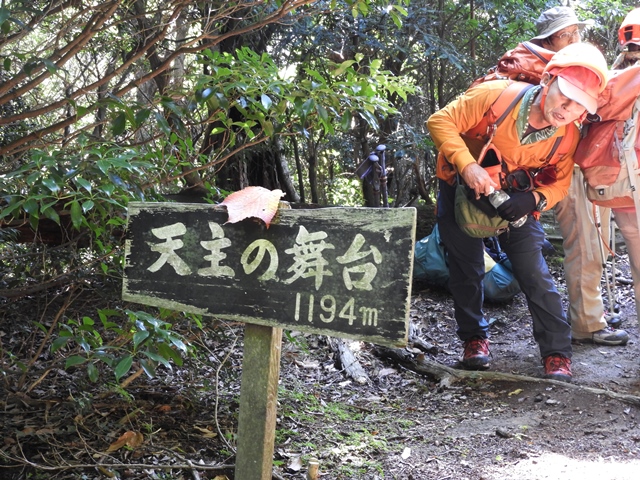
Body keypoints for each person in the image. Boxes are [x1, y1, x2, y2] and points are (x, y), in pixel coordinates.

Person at [427, 42, 608, 382]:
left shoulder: (566, 137)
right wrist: (468, 167)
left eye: (577, 107)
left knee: (535, 275)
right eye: (564, 97)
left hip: (517, 204)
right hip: (462, 190)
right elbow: (441, 121)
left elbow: (559, 184)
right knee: (465, 267)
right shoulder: (496, 96)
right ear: (547, 82)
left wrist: (534, 200)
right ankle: (474, 339)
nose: (565, 110)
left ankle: (556, 353)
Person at [558, 8, 640, 345]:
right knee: (590, 247)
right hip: (601, 176)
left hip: (607, 177)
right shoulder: (624, 78)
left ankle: (591, 318)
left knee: (598, 247)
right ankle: (587, 322)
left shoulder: (613, 74)